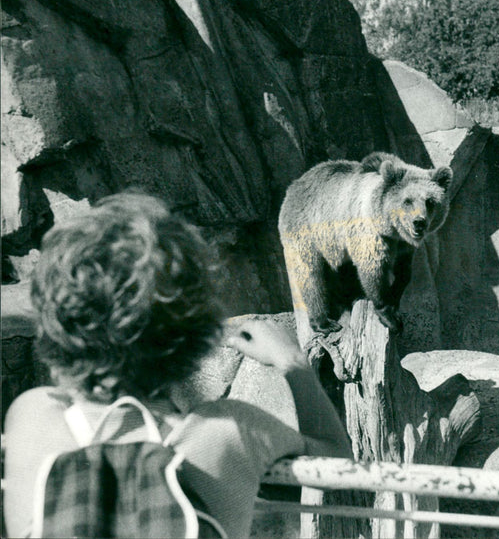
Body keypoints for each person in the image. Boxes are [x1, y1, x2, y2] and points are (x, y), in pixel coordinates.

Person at [3, 192, 351, 538]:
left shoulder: (34, 417)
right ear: (194, 335)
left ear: (55, 324)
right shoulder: (227, 432)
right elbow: (336, 459)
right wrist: (293, 363)